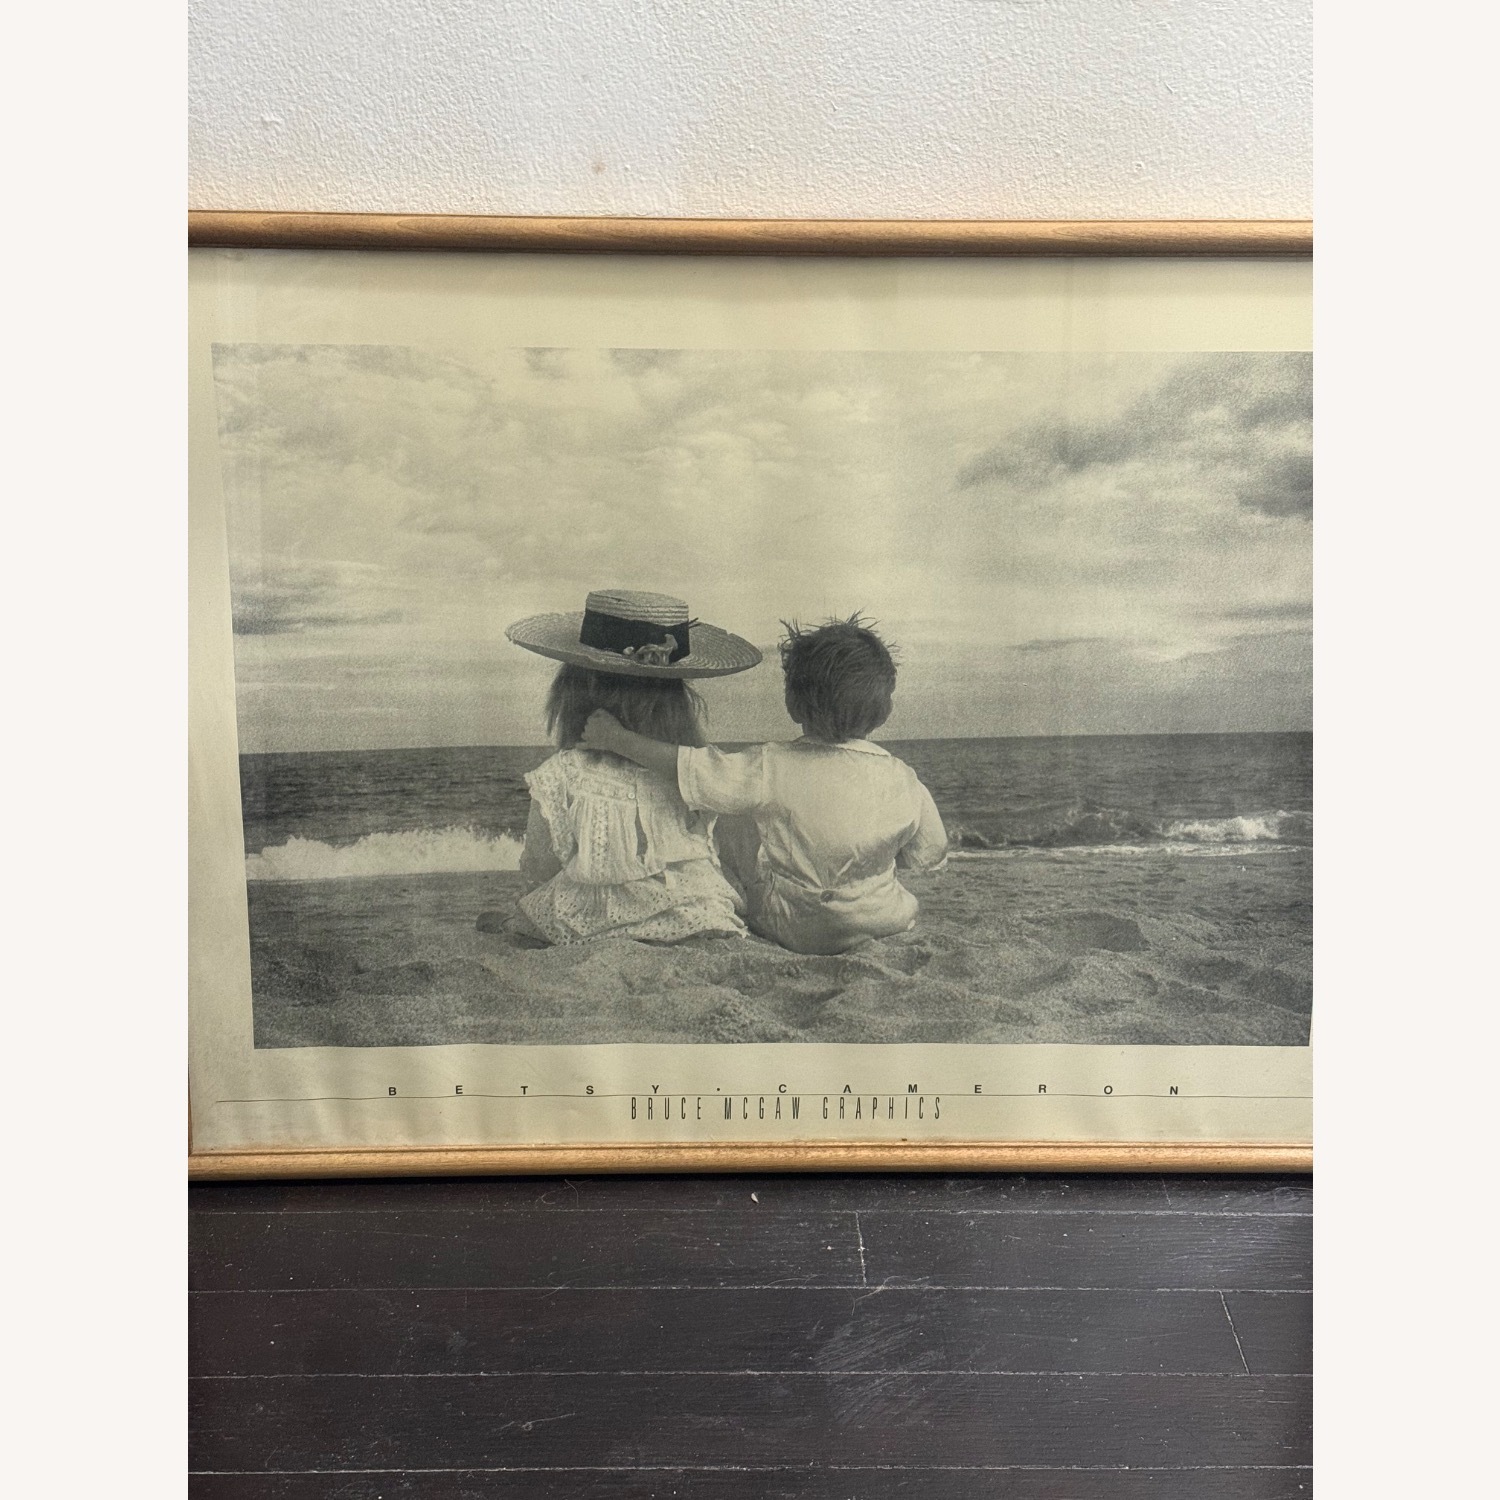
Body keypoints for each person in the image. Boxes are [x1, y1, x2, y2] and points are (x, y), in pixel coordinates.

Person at [581, 614, 948, 956]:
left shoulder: (770, 765)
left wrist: (618, 739)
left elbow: (691, 767)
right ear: (885, 710)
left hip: (794, 926)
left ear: (792, 703)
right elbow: (927, 853)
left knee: (727, 802)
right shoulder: (904, 777)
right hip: (885, 920)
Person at [491, 588, 763, 946]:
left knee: (516, 918)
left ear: (572, 692)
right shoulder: (686, 768)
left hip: (593, 919)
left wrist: (529, 908)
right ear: (678, 701)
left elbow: (541, 865)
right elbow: (717, 847)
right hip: (688, 912)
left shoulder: (564, 773)